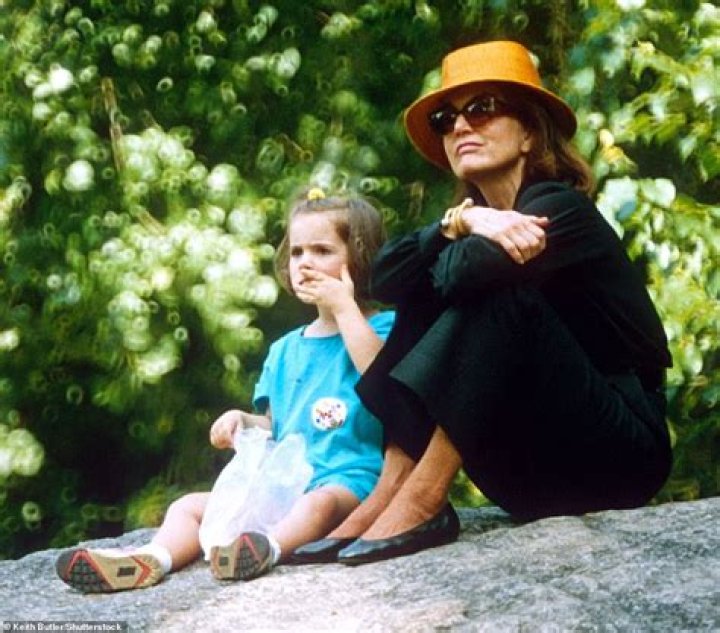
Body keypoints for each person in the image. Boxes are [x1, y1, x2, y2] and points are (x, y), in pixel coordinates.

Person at [293, 40, 673, 566]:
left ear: (530, 132)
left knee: (496, 292)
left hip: (617, 457)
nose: (460, 127)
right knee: (424, 287)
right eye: (446, 119)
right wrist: (463, 220)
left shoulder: (558, 209)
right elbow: (383, 278)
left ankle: (424, 496)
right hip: (525, 474)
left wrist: (461, 235)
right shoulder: (474, 220)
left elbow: (468, 273)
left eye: (482, 108)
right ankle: (394, 482)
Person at [55, 189, 395, 591]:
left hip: (349, 481)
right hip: (283, 485)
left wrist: (344, 307)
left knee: (319, 504)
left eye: (322, 251)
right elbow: (276, 425)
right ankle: (153, 558)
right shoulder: (286, 349)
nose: (305, 262)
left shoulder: (381, 327)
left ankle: (266, 549)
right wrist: (242, 421)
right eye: (297, 251)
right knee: (188, 506)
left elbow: (381, 380)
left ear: (361, 257)